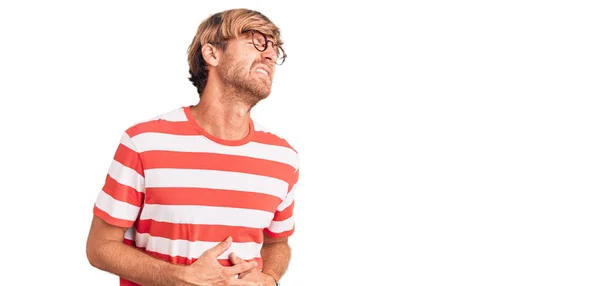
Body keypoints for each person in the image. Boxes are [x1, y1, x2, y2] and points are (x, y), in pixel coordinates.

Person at [86, 8, 299, 286]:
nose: (270, 54)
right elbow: (100, 247)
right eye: (256, 41)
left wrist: (269, 278)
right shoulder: (144, 142)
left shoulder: (283, 157)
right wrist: (179, 278)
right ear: (212, 54)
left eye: (274, 48)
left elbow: (277, 243)